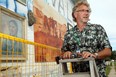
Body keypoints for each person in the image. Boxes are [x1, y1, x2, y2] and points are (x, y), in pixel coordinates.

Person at [61, 0, 112, 77]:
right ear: (75, 14)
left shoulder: (97, 29)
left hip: (97, 74)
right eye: (82, 10)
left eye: (88, 11)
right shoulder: (69, 34)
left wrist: (95, 55)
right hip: (78, 75)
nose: (86, 13)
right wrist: (66, 53)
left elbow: (108, 51)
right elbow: (62, 53)